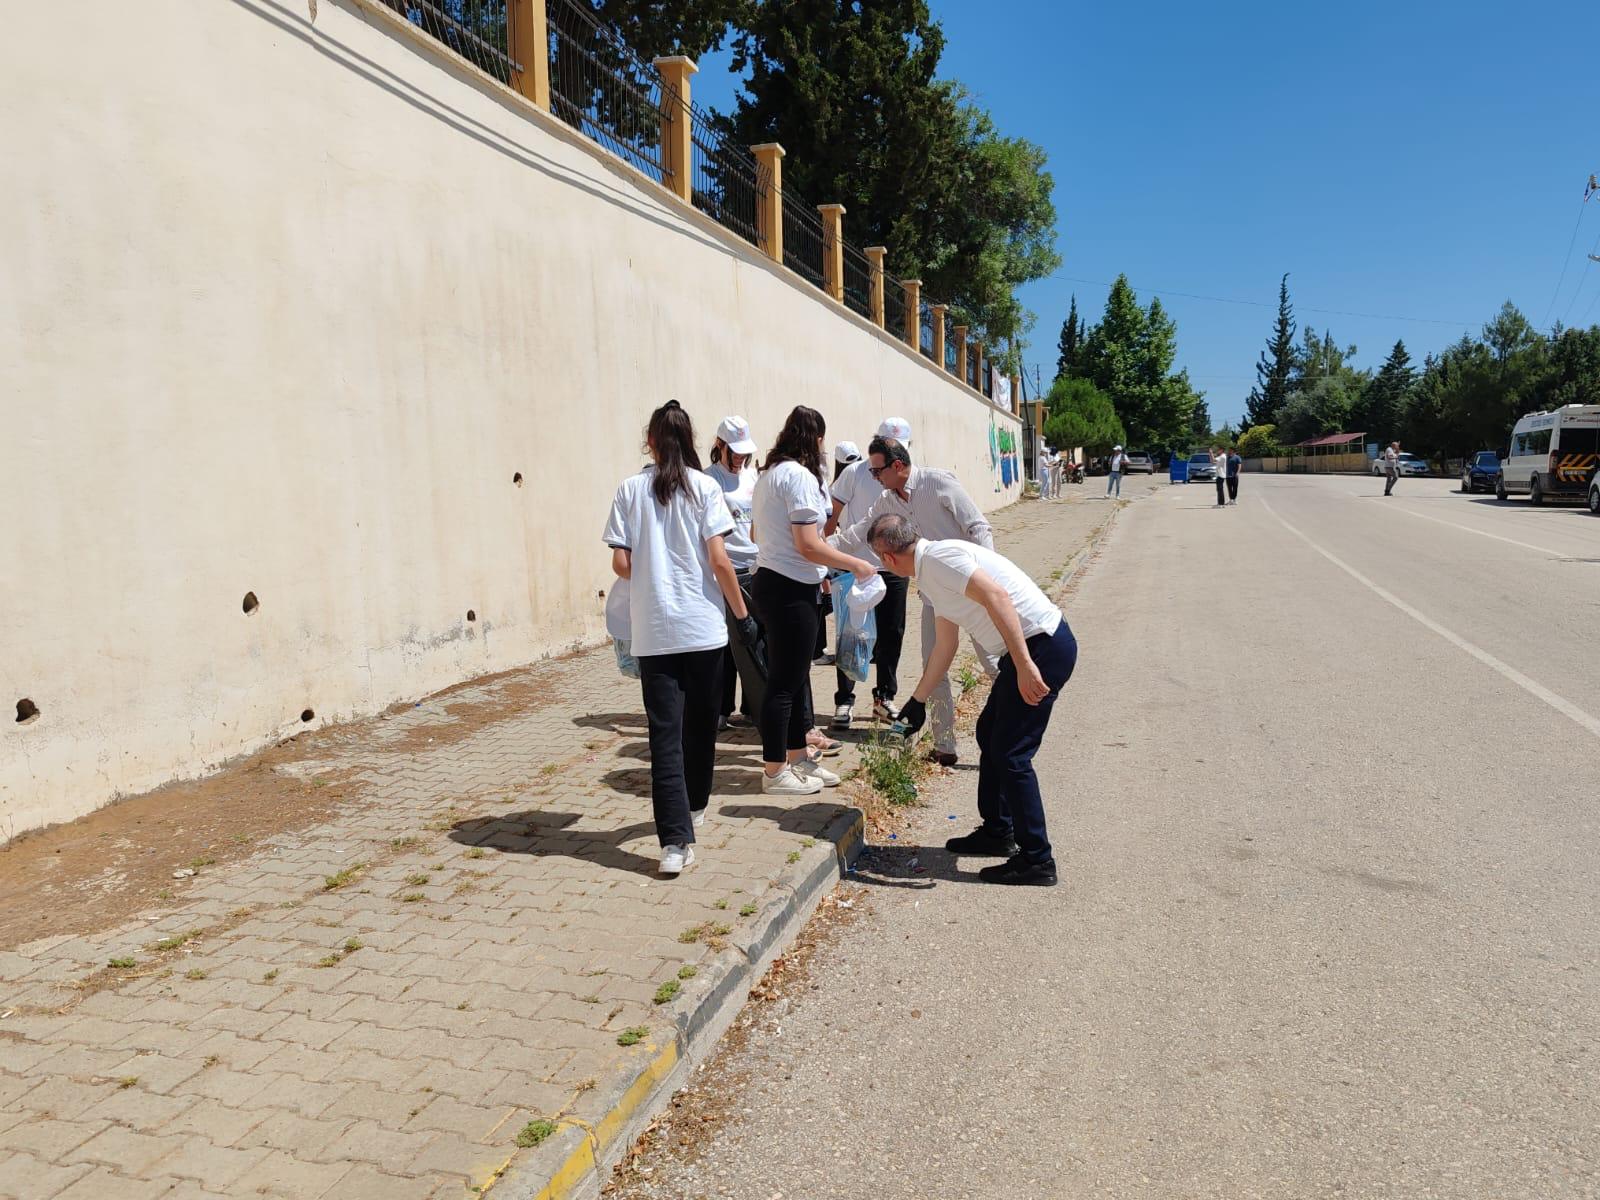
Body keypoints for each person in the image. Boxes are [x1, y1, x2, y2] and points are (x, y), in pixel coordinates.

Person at [869, 513, 1077, 886]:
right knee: (989, 733)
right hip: (1030, 650)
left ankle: (1037, 860)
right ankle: (998, 831)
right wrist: (916, 703)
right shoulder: (930, 574)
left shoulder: (940, 560)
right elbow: (945, 646)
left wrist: (1026, 664)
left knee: (1011, 752)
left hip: (1041, 647)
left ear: (886, 557)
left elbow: (996, 596)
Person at [604, 401, 759, 876]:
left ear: (649, 442)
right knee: (700, 730)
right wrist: (743, 615)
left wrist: (655, 570)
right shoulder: (705, 487)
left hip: (654, 633)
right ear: (692, 442)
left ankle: (674, 842)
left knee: (664, 735)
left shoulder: (631, 489)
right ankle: (693, 808)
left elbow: (621, 564)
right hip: (704, 629)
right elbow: (719, 560)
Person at [832, 436, 996, 768]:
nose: (873, 478)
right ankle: (945, 745)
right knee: (933, 668)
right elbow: (857, 533)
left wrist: (987, 576)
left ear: (897, 466)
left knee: (994, 663)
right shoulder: (886, 500)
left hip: (973, 588)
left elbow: (978, 526)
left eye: (877, 471)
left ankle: (1019, 727)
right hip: (935, 595)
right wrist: (812, 550)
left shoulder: (938, 482)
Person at [752, 406, 876, 796]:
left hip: (773, 582)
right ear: (816, 441)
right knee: (784, 684)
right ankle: (775, 771)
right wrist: (854, 563)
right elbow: (809, 544)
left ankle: (798, 758)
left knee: (790, 677)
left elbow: (758, 533)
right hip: (790, 587)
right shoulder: (800, 478)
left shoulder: (769, 476)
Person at [824, 418, 914, 729]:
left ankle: (883, 698)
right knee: (850, 635)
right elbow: (834, 515)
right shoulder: (854, 473)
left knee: (892, 633)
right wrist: (825, 556)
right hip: (854, 568)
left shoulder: (908, 478)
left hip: (893, 567)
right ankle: (844, 701)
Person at [707, 416, 764, 729]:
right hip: (726, 569)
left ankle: (752, 707)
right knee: (727, 644)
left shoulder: (753, 477)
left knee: (753, 641)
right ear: (720, 445)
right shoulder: (708, 480)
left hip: (754, 565)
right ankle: (721, 709)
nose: (740, 457)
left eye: (745, 451)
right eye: (735, 451)